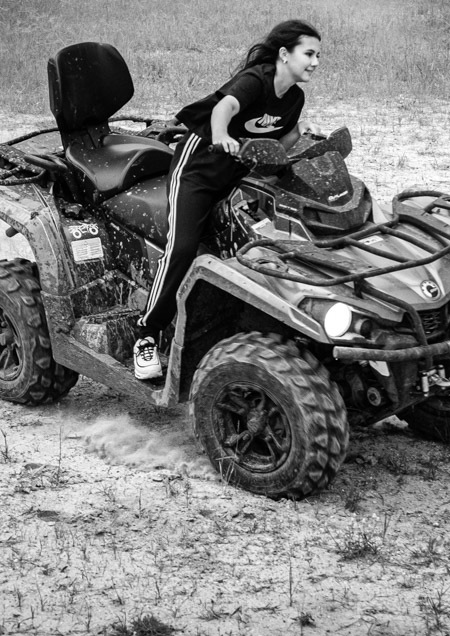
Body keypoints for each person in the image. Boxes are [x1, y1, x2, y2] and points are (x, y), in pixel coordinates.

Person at [133, 19, 322, 380]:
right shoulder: (256, 79)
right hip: (198, 172)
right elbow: (225, 108)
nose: (315, 62)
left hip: (236, 176)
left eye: (318, 55)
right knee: (184, 247)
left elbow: (277, 146)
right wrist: (220, 135)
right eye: (308, 54)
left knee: (262, 245)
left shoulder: (295, 98)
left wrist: (303, 136)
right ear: (285, 55)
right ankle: (146, 334)